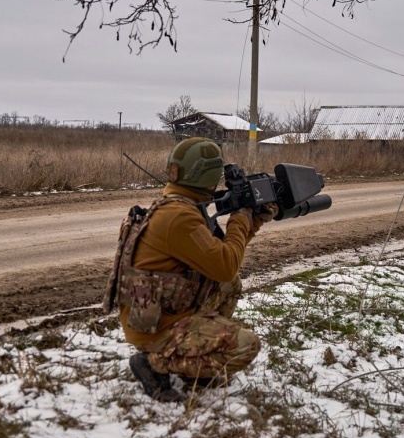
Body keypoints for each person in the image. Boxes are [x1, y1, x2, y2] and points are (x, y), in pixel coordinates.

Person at [103, 137, 277, 402]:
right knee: (245, 346)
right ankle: (155, 362)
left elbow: (221, 260)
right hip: (156, 329)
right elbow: (226, 265)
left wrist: (251, 222)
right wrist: (241, 219)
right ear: (207, 175)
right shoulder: (180, 217)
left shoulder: (175, 206)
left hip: (156, 314)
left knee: (230, 285)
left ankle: (191, 361)